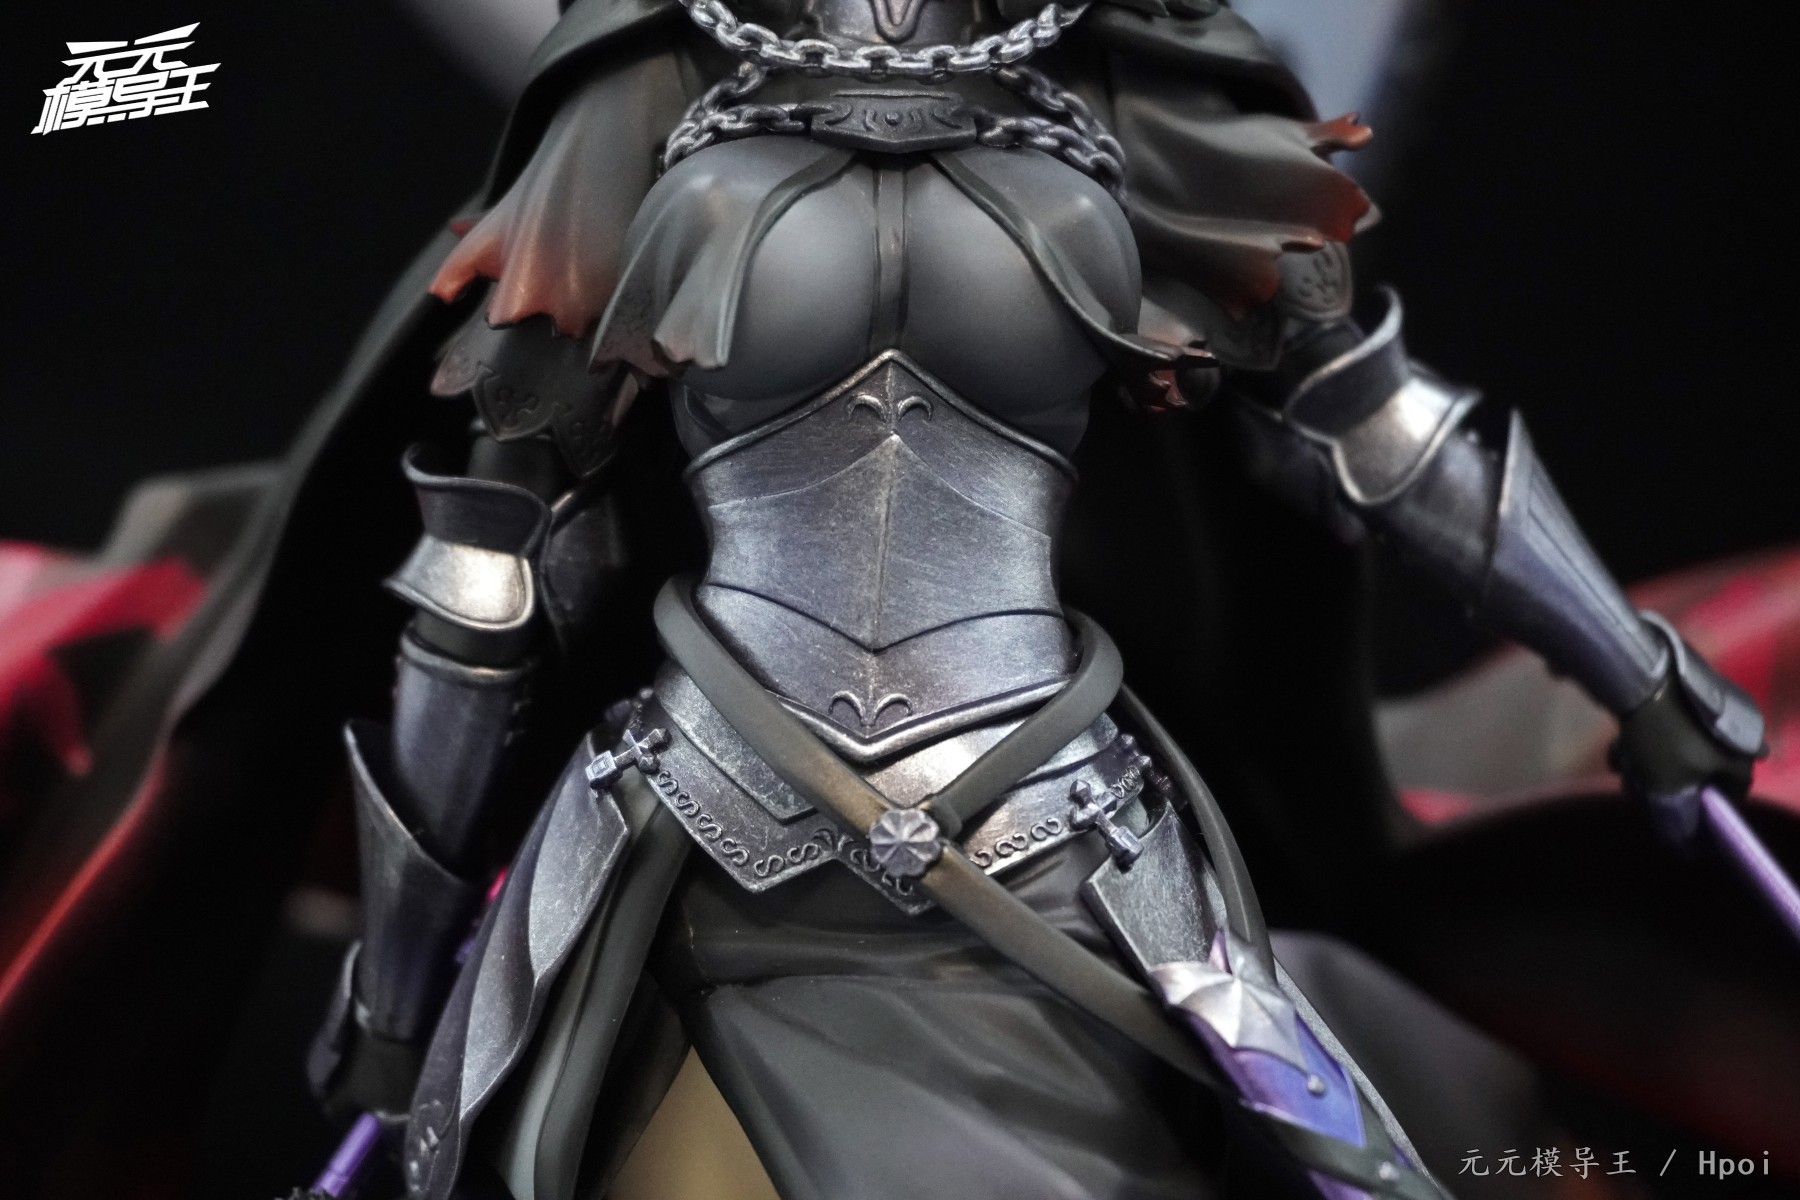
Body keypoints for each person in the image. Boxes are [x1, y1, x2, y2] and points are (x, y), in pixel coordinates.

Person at [303, 0, 1766, 1196]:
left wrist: (1636, 672)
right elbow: (489, 570)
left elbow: (1378, 431)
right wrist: (396, 988)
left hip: (1063, 840)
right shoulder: (645, 72)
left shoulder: (1136, 67)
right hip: (702, 843)